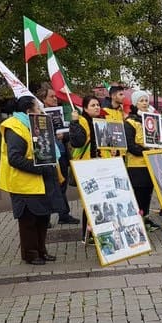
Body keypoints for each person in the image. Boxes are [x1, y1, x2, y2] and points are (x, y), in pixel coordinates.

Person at [0, 96, 64, 264]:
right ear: (29, 111)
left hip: (41, 182)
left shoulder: (35, 125)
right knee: (29, 221)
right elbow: (15, 158)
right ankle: (30, 254)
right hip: (25, 185)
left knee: (43, 218)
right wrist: (41, 167)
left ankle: (42, 251)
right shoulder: (15, 127)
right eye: (39, 108)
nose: (42, 111)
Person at [37, 85, 79, 225]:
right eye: (52, 96)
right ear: (43, 98)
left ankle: (63, 214)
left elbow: (68, 132)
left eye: (55, 96)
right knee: (50, 186)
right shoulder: (38, 114)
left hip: (62, 154)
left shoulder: (59, 113)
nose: (55, 98)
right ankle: (46, 217)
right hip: (49, 156)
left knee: (62, 185)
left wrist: (64, 135)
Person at [124, 90, 160, 231]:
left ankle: (145, 218)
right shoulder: (130, 122)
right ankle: (137, 222)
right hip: (136, 166)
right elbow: (130, 146)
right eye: (141, 101)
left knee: (148, 193)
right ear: (135, 103)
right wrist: (146, 151)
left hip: (150, 163)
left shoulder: (150, 119)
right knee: (138, 195)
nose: (145, 103)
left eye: (146, 100)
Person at [70, 95, 103, 241]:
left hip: (98, 165)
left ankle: (95, 231)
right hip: (85, 166)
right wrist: (75, 122)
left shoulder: (99, 121)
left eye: (98, 105)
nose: (97, 107)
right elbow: (78, 141)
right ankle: (87, 234)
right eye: (93, 105)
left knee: (97, 199)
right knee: (90, 199)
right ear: (85, 108)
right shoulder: (82, 121)